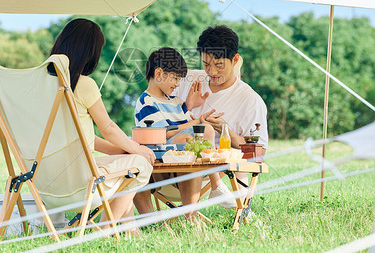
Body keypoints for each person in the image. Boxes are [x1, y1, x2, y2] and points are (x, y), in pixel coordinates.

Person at [49, 18, 155, 232]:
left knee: (131, 160)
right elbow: (108, 128)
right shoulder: (82, 84)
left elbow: (80, 135)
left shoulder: (40, 86)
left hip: (44, 183)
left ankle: (132, 230)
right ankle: (106, 228)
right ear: (90, 53)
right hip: (79, 185)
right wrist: (138, 149)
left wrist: (123, 149)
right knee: (141, 164)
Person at [133, 47, 237, 214]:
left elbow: (188, 129)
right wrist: (196, 121)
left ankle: (201, 203)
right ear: (159, 74)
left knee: (203, 132)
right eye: (175, 78)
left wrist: (190, 108)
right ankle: (216, 185)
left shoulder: (176, 103)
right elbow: (163, 133)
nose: (177, 84)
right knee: (191, 138)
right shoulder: (146, 102)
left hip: (189, 166)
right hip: (163, 168)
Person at [175, 25, 268, 149]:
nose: (212, 72)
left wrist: (224, 130)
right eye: (206, 64)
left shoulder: (250, 100)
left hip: (222, 166)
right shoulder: (185, 80)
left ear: (234, 60)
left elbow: (258, 152)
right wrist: (186, 107)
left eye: (219, 65)